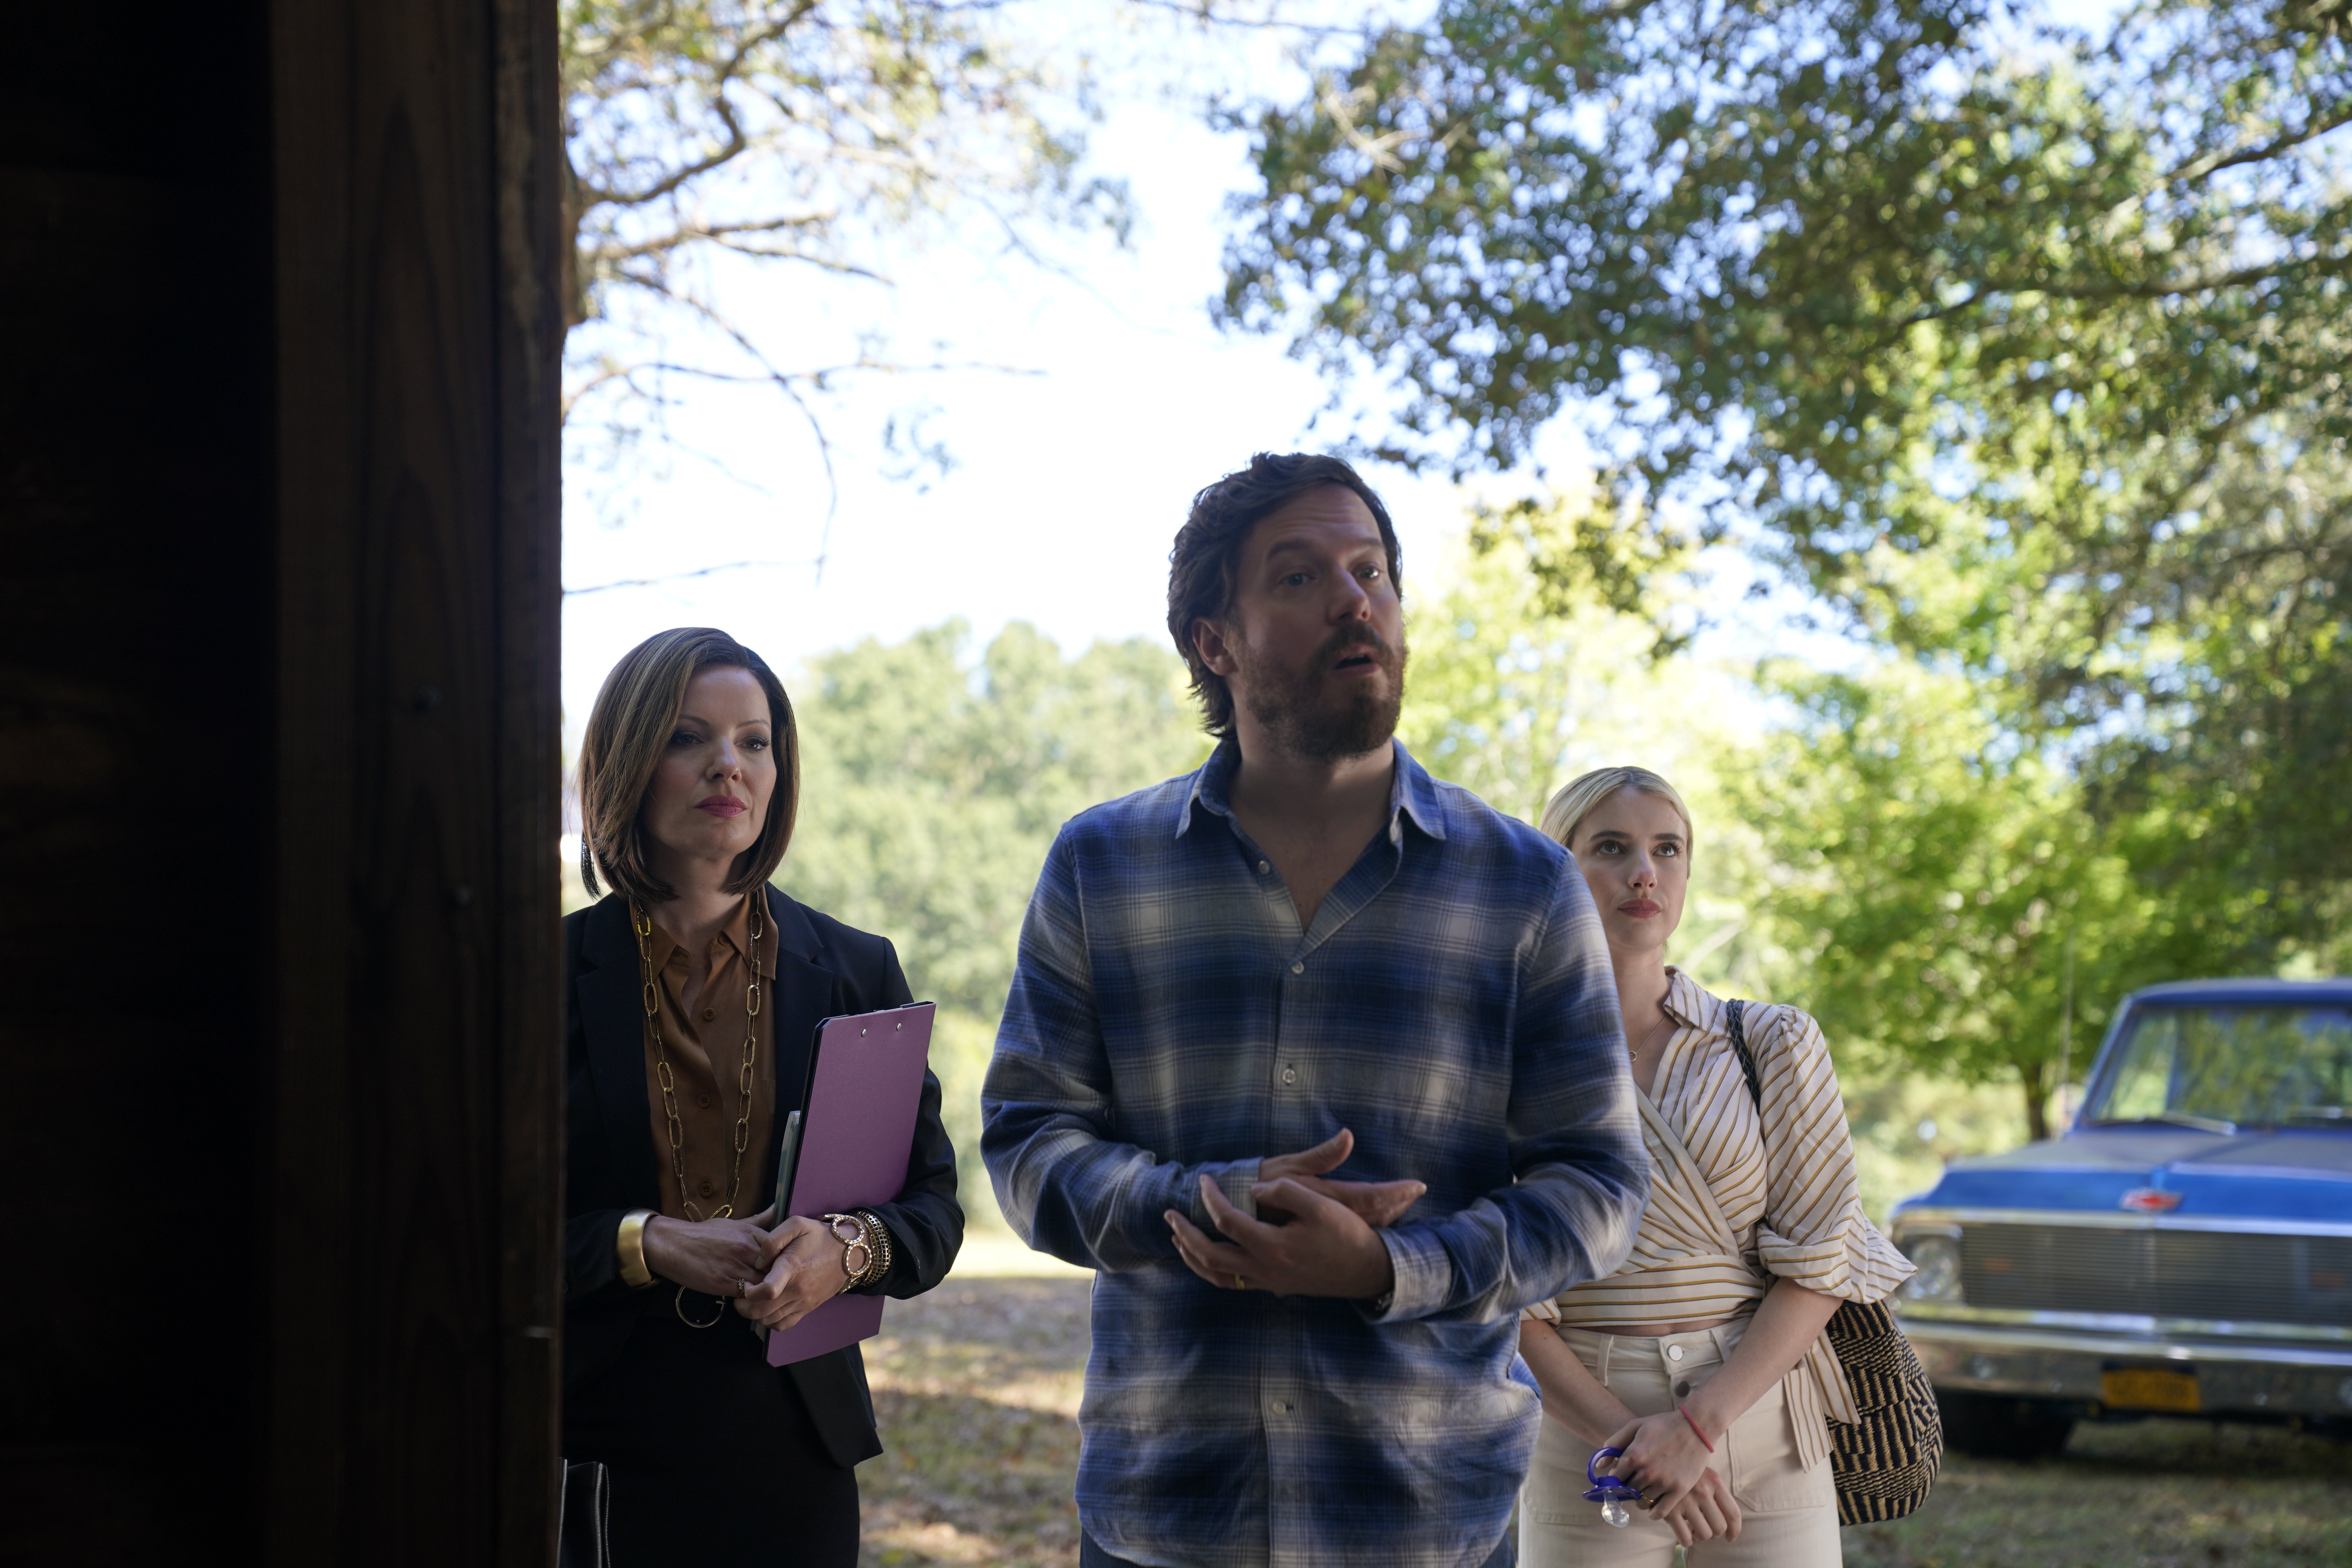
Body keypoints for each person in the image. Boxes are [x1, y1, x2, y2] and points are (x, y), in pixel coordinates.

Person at [981, 453, 1651, 1568]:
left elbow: (1601, 1187)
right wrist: (1209, 1204)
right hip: (1166, 1519)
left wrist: (1395, 1271)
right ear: (1214, 641)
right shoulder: (1101, 866)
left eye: (1372, 571)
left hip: (1424, 1521)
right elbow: (1027, 1145)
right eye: (1299, 578)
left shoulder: (1525, 885)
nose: (1355, 601)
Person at [561, 627, 962, 1566]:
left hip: (794, 1439)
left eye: (754, 741)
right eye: (687, 737)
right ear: (627, 760)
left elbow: (935, 1210)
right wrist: (646, 1240)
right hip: (595, 1439)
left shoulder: (859, 970)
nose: (727, 767)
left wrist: (848, 1249)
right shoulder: (534, 979)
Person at [1514, 768, 1914, 1567]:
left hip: (1763, 1420)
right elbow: (1497, 1286)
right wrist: (1627, 1439)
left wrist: (1699, 1425)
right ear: (1556, 866)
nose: (1644, 871)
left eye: (1668, 848)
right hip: (1584, 1441)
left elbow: (1823, 1255)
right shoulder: (1501, 1056)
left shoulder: (1771, 1043)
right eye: (1612, 847)